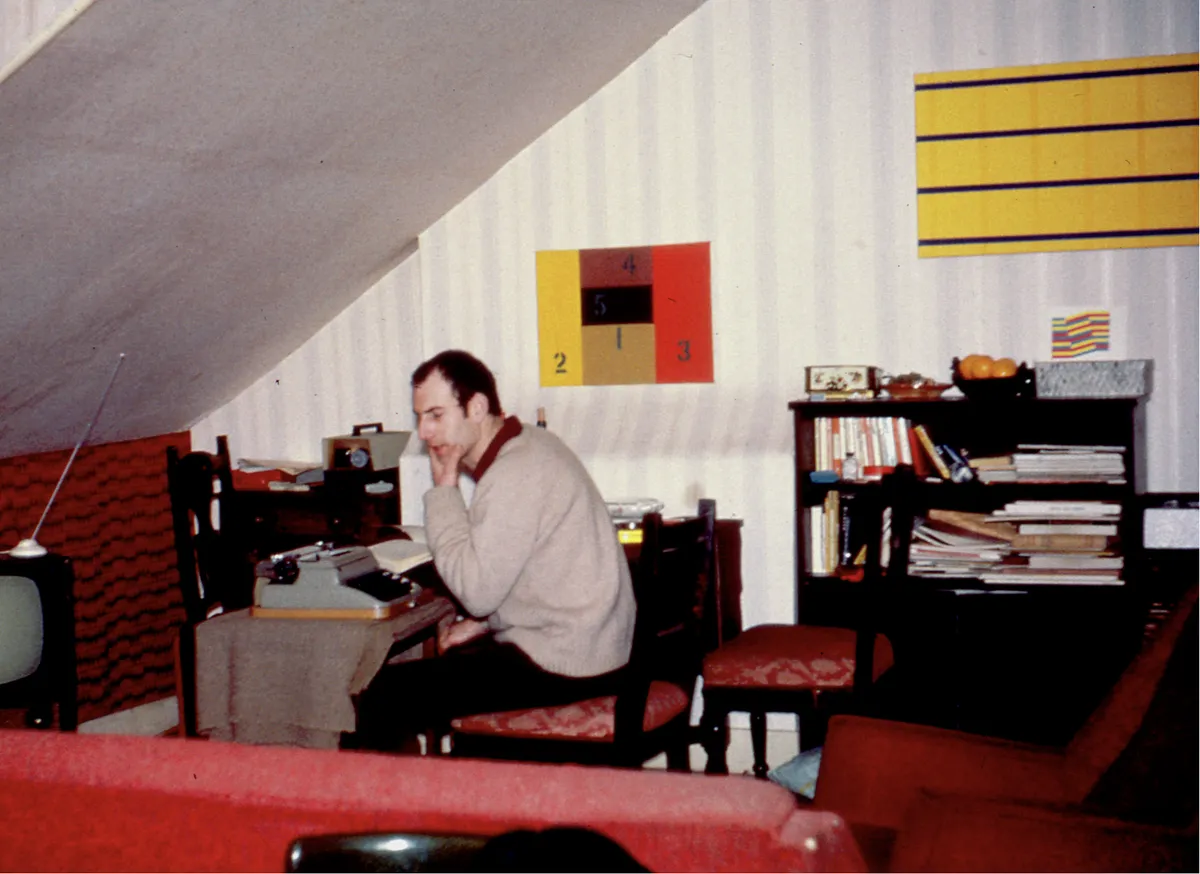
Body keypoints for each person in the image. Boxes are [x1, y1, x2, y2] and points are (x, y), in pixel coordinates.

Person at [353, 350, 636, 751]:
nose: (424, 433)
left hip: (566, 661)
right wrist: (484, 624)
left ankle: (395, 812)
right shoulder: (531, 445)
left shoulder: (512, 472)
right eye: (420, 417)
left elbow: (476, 591)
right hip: (591, 647)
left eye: (435, 415)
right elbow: (526, 571)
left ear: (477, 407)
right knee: (431, 676)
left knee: (385, 694)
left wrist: (444, 491)